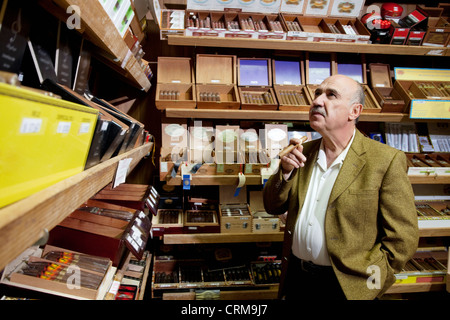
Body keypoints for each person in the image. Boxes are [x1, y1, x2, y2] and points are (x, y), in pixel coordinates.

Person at [263, 74, 419, 300]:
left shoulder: (385, 160)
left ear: (354, 112)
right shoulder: (302, 152)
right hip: (297, 278)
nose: (317, 101)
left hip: (347, 288)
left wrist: (370, 286)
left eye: (331, 95)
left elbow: (402, 239)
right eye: (317, 93)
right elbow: (271, 206)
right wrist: (285, 172)